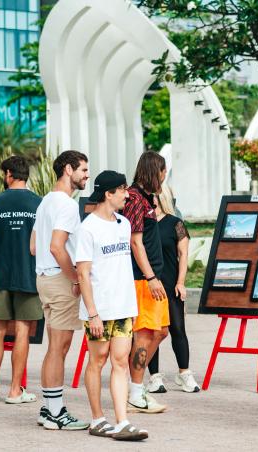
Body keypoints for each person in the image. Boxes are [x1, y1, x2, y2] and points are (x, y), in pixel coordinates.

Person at [75, 170, 148, 441]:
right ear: (108, 193)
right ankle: (97, 419)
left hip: (123, 307)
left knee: (121, 362)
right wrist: (92, 313)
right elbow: (82, 274)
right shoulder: (87, 228)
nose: (127, 195)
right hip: (98, 310)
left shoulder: (123, 223)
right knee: (98, 360)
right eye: (122, 190)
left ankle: (122, 421)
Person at [31, 150, 90, 429]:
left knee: (54, 348)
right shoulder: (66, 205)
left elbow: (34, 247)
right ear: (68, 169)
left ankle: (47, 409)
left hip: (44, 278)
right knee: (60, 348)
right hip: (59, 279)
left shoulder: (45, 202)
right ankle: (56, 412)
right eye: (83, 170)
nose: (86, 175)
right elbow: (56, 247)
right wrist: (75, 278)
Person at [0, 156, 42, 404]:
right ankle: (15, 390)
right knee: (22, 332)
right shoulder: (39, 203)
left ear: (8, 174)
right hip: (29, 275)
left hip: (1, 275)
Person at [123, 151, 169, 413]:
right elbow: (134, 242)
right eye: (163, 171)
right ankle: (136, 392)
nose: (165, 176)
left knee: (160, 332)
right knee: (144, 335)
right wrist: (150, 277)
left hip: (154, 277)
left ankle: (135, 388)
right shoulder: (134, 199)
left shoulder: (147, 199)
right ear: (154, 170)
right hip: (142, 279)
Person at [146, 189, 199, 394]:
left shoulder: (175, 223)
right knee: (153, 331)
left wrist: (181, 282)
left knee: (177, 328)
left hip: (170, 283)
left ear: (162, 198)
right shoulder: (143, 223)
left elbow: (183, 254)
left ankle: (184, 373)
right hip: (149, 284)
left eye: (154, 196)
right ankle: (154, 377)